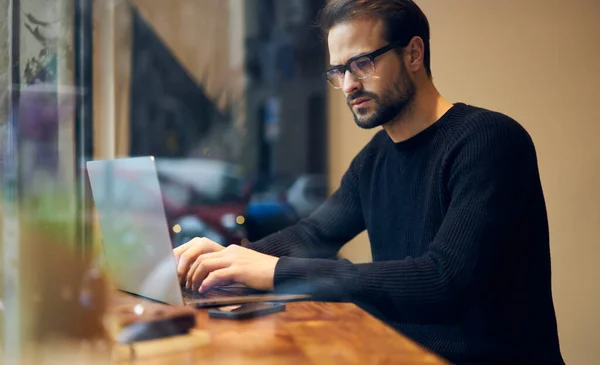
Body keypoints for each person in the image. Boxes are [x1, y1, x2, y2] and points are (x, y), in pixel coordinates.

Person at [174, 1, 565, 363]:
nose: (348, 85)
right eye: (337, 71)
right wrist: (222, 262)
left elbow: (442, 281)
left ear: (413, 53)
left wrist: (273, 271)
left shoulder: (489, 140)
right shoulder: (375, 159)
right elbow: (313, 235)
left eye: (361, 64)